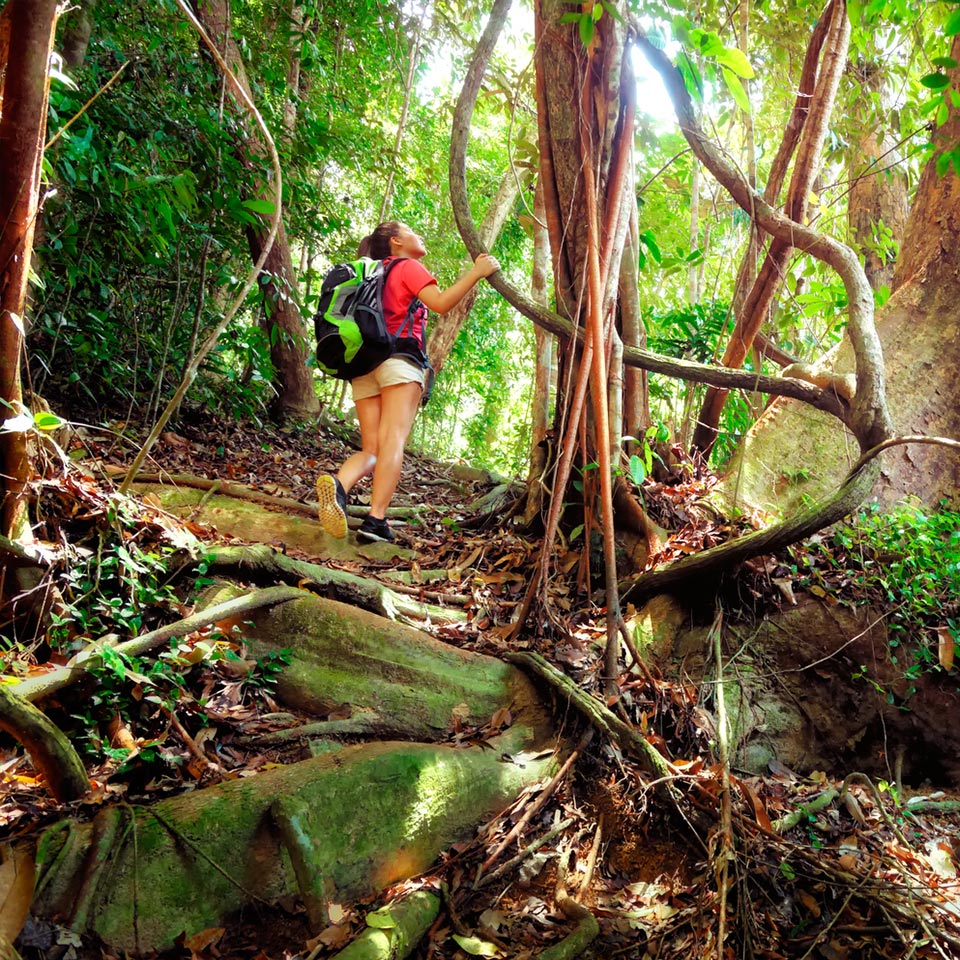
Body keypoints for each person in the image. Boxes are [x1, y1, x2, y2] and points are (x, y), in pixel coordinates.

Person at [317, 221, 500, 543]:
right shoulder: (407, 266)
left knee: (372, 448)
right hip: (400, 363)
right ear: (397, 241)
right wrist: (477, 272)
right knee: (393, 442)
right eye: (413, 231)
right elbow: (441, 303)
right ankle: (375, 521)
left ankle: (339, 486)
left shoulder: (369, 273)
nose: (420, 235)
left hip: (363, 366)